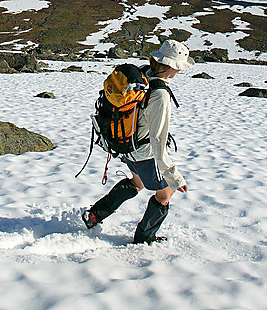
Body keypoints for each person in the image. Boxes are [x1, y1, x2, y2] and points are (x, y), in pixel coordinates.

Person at [82, 39, 195, 244]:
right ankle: (144, 238)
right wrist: (174, 177)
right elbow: (158, 140)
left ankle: (94, 215)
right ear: (171, 67)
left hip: (127, 146)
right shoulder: (160, 95)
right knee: (164, 194)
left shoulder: (142, 75)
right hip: (144, 152)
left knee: (137, 182)